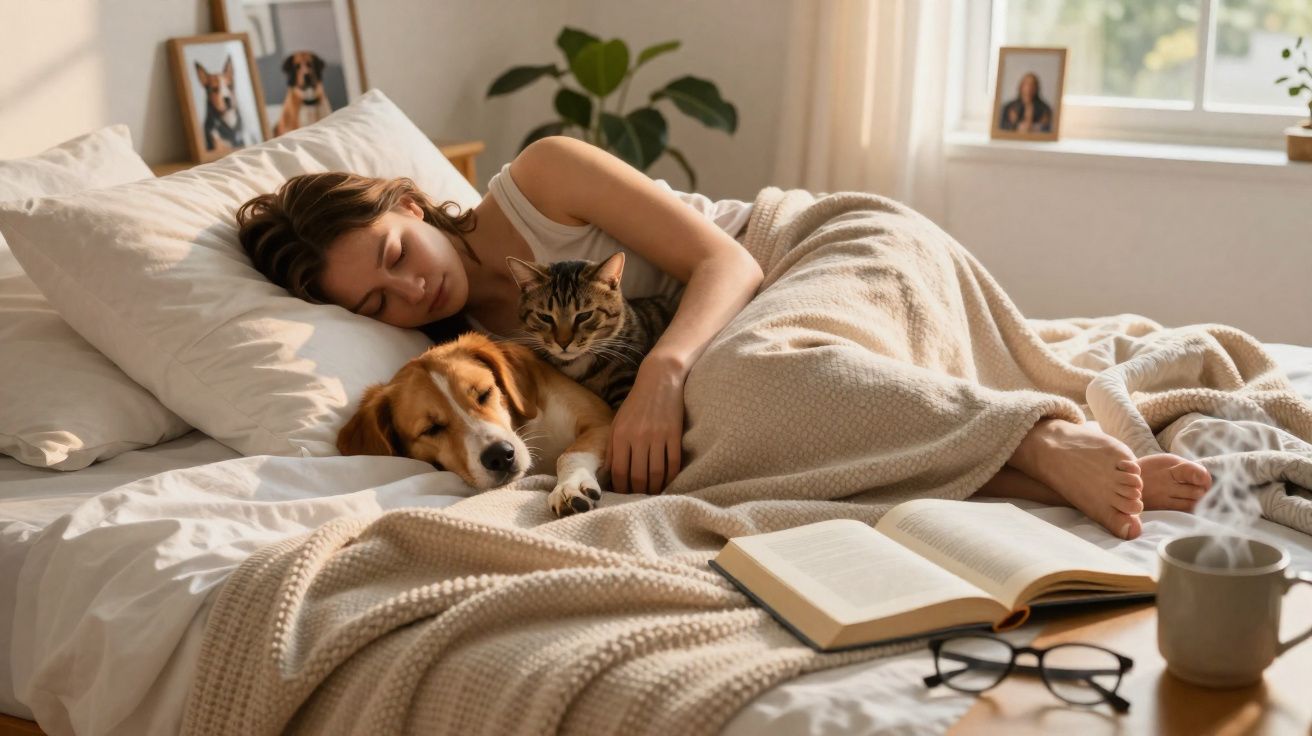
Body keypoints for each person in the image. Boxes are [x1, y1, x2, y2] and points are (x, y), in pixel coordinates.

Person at [236, 135, 1211, 540]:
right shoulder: (469, 361)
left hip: (806, 250)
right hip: (761, 336)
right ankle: (1009, 475)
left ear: (410, 204)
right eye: (377, 303)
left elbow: (727, 264)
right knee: (701, 456)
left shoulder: (540, 178)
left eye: (396, 252)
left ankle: (1037, 435)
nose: (411, 288)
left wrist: (666, 370)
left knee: (732, 383)